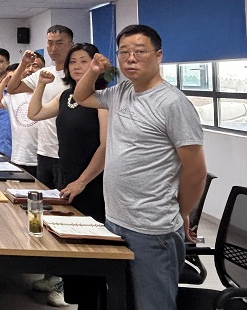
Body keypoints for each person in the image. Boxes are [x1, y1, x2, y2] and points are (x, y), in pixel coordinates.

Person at [73, 24, 207, 310]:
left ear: (158, 55)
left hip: (152, 230)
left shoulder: (173, 103)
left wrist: (179, 212)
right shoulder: (121, 92)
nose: (130, 58)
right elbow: (81, 97)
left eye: (139, 52)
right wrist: (93, 71)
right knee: (121, 300)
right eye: (123, 52)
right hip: (116, 219)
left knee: (152, 305)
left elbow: (196, 171)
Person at [28, 43, 109, 310]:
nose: (76, 66)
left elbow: (106, 146)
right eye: (73, 61)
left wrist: (83, 181)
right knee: (69, 242)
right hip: (67, 178)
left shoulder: (103, 98)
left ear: (96, 64)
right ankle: (70, 289)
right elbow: (34, 113)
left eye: (83, 61)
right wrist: (41, 85)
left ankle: (90, 301)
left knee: (88, 249)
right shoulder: (66, 96)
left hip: (92, 182)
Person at [6, 25, 75, 306]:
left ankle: (64, 282)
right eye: (50, 43)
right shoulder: (43, 73)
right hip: (43, 153)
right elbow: (12, 88)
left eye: (60, 42)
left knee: (65, 218)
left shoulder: (76, 76)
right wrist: (24, 64)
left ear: (71, 44)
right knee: (42, 215)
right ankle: (51, 273)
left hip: (67, 156)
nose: (54, 48)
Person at [0, 52, 45, 177]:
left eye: (35, 66)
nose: (30, 70)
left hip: (42, 158)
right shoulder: (14, 94)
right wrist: (5, 81)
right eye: (27, 66)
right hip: (19, 156)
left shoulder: (47, 93)